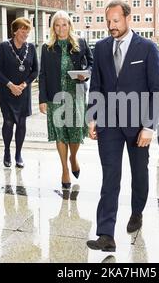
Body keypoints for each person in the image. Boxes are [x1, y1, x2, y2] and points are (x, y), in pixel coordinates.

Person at [86, 0, 159, 252]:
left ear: (128, 18)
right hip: (108, 124)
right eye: (108, 21)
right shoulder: (100, 48)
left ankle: (137, 212)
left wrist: (149, 127)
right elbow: (95, 85)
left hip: (138, 124)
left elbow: (156, 90)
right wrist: (92, 117)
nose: (111, 26)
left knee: (139, 174)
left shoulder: (148, 49)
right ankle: (106, 234)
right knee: (110, 177)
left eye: (116, 21)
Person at [38, 10, 93, 190]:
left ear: (70, 25)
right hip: (55, 96)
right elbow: (43, 74)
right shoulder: (47, 48)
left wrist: (86, 75)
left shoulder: (80, 43)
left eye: (64, 24)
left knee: (75, 132)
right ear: (53, 27)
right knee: (60, 134)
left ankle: (73, 158)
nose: (61, 28)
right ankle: (64, 170)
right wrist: (42, 99)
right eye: (57, 25)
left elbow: (92, 63)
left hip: (75, 93)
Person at [0, 17, 39, 168]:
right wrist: (10, 85)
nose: (25, 32)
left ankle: (18, 153)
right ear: (14, 31)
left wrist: (24, 85)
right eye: (22, 29)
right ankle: (7, 151)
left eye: (27, 30)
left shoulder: (31, 48)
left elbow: (35, 71)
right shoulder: (4, 46)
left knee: (21, 123)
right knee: (8, 121)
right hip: (6, 91)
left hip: (23, 92)